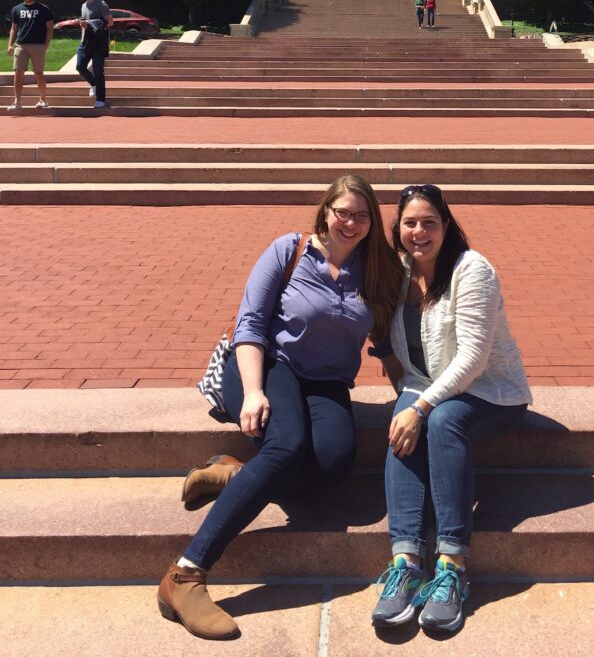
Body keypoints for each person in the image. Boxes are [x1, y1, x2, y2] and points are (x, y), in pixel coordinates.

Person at [158, 175, 402, 640]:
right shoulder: (289, 251)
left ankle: (238, 474)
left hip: (327, 382)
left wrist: (412, 400)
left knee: (334, 463)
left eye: (362, 215)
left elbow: (386, 344)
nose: (350, 222)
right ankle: (185, 574)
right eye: (342, 212)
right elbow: (249, 324)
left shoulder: (374, 273)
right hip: (269, 364)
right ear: (325, 211)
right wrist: (253, 391)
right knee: (287, 444)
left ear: (372, 221)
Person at [371, 184, 531, 633]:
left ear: (446, 226)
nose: (418, 232)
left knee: (440, 421)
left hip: (490, 393)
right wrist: (386, 355)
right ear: (397, 229)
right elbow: (370, 313)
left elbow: (474, 357)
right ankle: (404, 562)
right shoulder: (398, 270)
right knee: (400, 425)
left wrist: (419, 407)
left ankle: (452, 566)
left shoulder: (471, 269)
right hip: (423, 384)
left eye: (429, 223)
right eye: (409, 223)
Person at [6, 0, 54, 112]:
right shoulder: (16, 9)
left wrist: (46, 45)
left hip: (38, 45)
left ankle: (43, 100)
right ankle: (17, 102)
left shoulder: (43, 9)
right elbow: (14, 28)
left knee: (38, 73)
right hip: (21, 44)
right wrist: (10, 44)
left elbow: (50, 28)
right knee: (18, 72)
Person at [75, 0, 113, 108]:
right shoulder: (83, 5)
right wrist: (82, 33)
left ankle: (101, 100)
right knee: (80, 66)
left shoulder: (101, 4)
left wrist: (92, 23)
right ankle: (93, 84)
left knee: (98, 71)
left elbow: (110, 21)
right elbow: (84, 24)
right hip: (86, 41)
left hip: (98, 42)